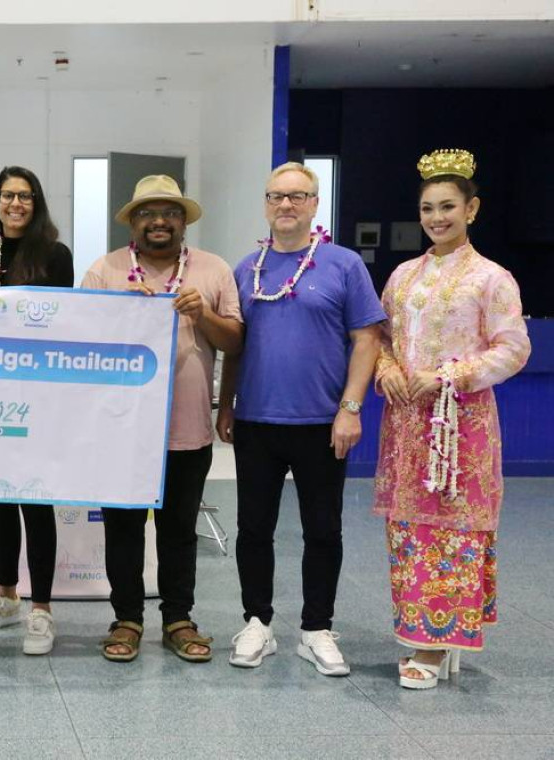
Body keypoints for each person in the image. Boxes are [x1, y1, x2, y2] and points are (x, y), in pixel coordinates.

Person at [217, 162, 386, 676]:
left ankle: (316, 628)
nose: (286, 204)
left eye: (297, 196)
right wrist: (227, 404)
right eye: (276, 196)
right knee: (253, 528)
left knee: (323, 529)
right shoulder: (246, 269)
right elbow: (236, 345)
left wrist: (350, 408)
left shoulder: (344, 265)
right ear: (266, 204)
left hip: (323, 423)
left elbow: (367, 339)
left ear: (315, 204)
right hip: (257, 422)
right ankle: (257, 622)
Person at [373, 149, 529, 689]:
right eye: (428, 209)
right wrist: (386, 369)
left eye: (447, 207)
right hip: (406, 425)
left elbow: (514, 348)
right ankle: (420, 631)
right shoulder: (403, 276)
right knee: (410, 530)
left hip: (460, 427)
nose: (437, 218)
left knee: (451, 530)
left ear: (471, 209)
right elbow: (382, 339)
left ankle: (436, 643)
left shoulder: (491, 278)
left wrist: (450, 375)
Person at [81, 176, 242, 663]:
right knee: (123, 529)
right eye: (147, 213)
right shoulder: (105, 271)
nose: (158, 221)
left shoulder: (213, 270)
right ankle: (127, 619)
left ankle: (178, 618)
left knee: (179, 529)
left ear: (183, 221)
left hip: (186, 427)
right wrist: (118, 317)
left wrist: (203, 314)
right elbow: (80, 344)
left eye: (169, 212)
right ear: (133, 221)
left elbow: (236, 341)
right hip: (121, 430)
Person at [0, 166, 74, 655]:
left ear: (37, 202)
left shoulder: (55, 255)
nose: (16, 204)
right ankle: (7, 595)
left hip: (39, 392)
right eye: (8, 195)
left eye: (25, 196)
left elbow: (62, 321)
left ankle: (42, 608)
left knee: (35, 498)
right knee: (0, 498)